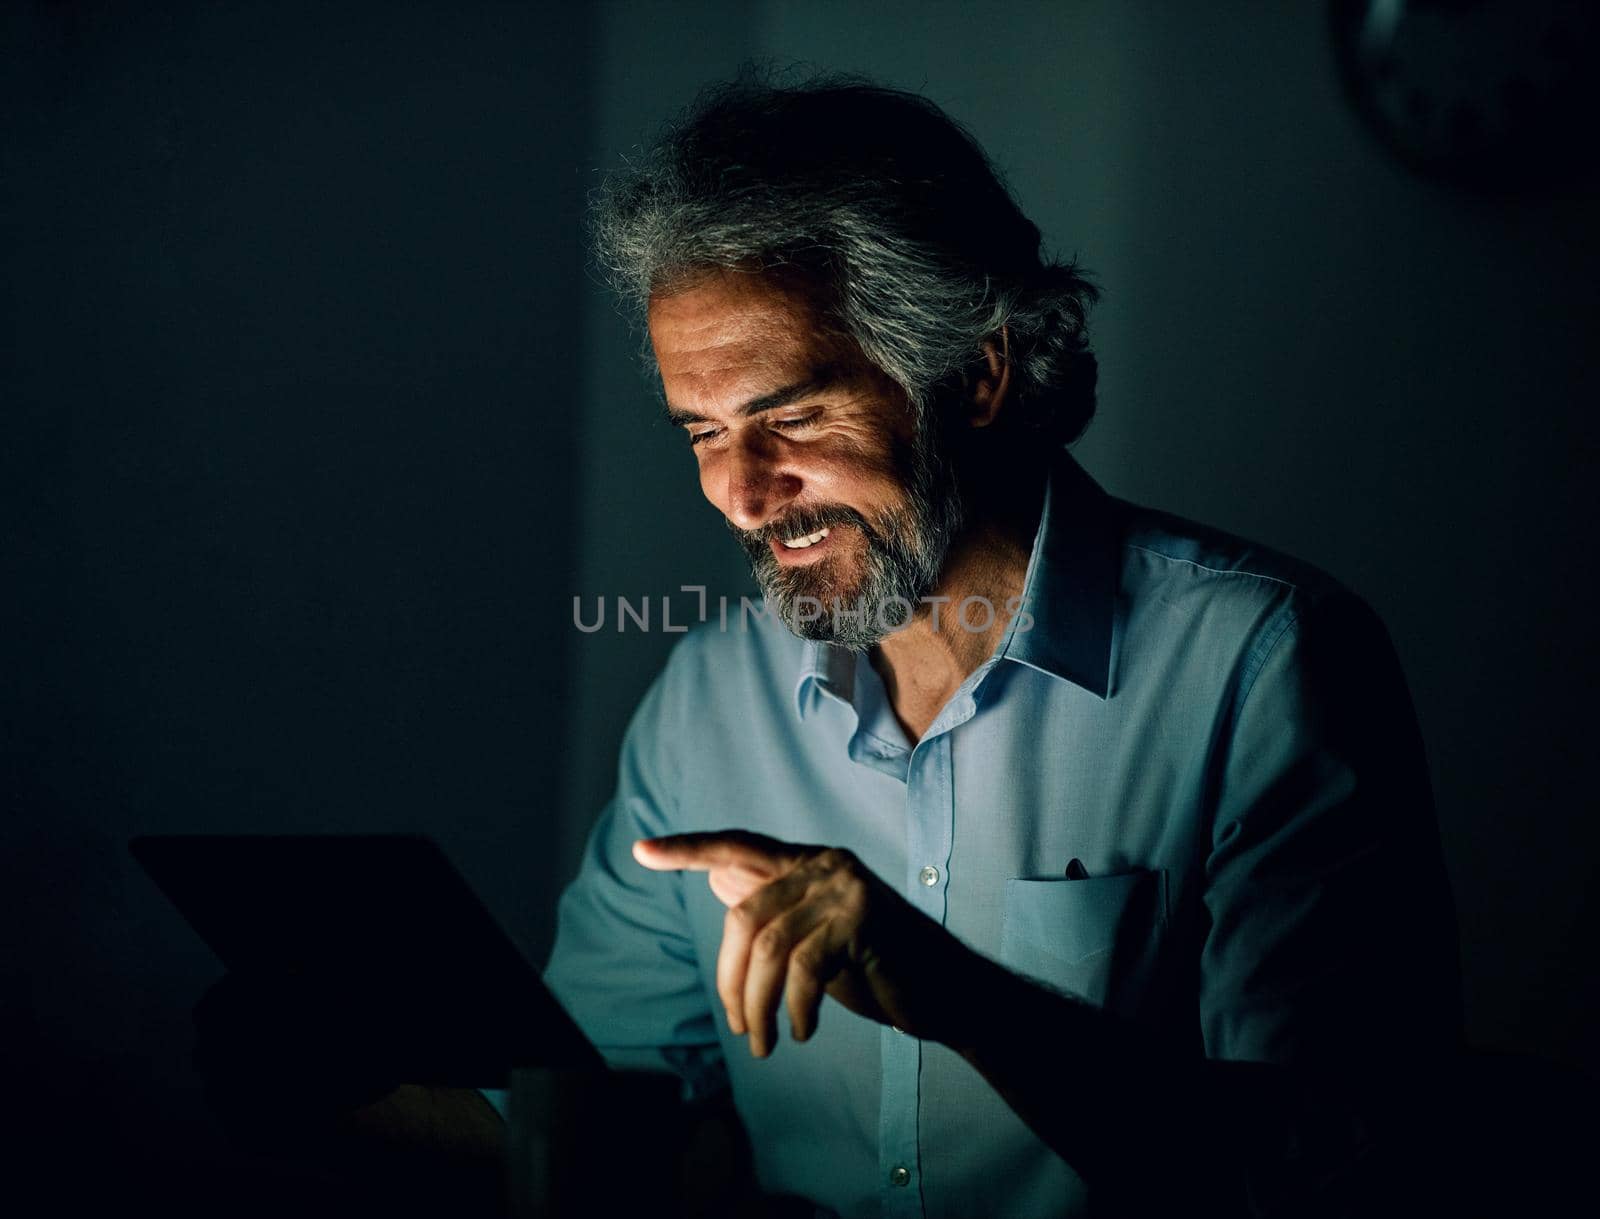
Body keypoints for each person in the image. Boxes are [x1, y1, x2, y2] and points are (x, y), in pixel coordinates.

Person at [197, 75, 1462, 1217]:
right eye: (699, 433)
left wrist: (958, 998)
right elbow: (597, 1110)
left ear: (975, 374)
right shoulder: (708, 698)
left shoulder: (1263, 665)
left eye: (788, 415)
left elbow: (1330, 1169)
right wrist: (331, 1075)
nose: (741, 495)